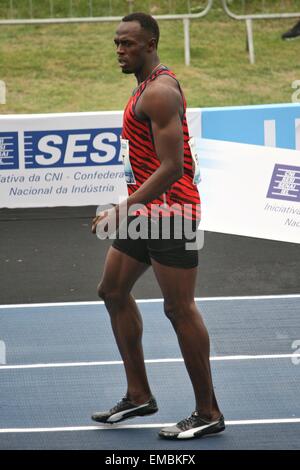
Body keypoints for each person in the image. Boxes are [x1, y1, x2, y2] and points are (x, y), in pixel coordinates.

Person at [91, 12, 224, 440]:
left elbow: (173, 167)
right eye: (116, 43)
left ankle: (208, 411)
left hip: (172, 214)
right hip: (145, 212)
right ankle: (139, 395)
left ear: (150, 45)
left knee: (178, 308)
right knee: (112, 291)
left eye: (128, 44)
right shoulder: (144, 88)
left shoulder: (161, 92)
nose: (119, 51)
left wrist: (120, 207)